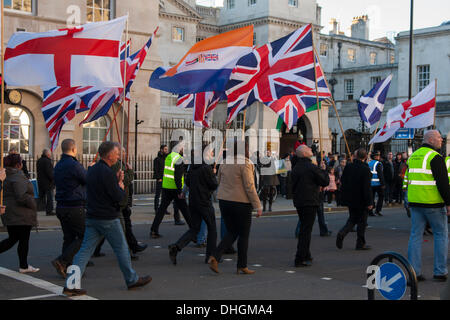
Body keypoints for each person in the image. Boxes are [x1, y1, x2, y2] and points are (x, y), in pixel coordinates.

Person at [63, 142, 151, 296]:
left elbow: (99, 189)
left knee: (84, 251)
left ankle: (71, 284)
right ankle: (131, 279)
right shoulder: (107, 172)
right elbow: (117, 196)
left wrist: (115, 181)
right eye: (116, 153)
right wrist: (120, 185)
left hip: (92, 216)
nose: (118, 156)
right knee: (122, 248)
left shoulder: (93, 169)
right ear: (109, 155)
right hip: (107, 218)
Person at [208, 138, 262, 275]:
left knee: (232, 231)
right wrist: (258, 205)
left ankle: (215, 255)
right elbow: (250, 186)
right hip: (241, 202)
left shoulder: (225, 162)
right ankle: (242, 265)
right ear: (245, 149)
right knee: (243, 234)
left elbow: (218, 181)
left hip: (224, 201)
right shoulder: (245, 164)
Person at [406, 130, 450, 282]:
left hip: (415, 202)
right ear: (431, 140)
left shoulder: (414, 156)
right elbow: (443, 183)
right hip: (433, 203)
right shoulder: (435, 157)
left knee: (415, 236)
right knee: (441, 235)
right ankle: (440, 271)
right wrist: (449, 202)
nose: (441, 140)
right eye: (439, 137)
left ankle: (414, 272)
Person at [168, 145, 218, 265]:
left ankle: (176, 246)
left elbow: (188, 183)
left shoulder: (192, 168)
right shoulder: (206, 168)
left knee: (195, 229)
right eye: (211, 152)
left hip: (193, 202)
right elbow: (214, 185)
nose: (212, 154)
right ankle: (210, 256)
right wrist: (214, 174)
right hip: (204, 201)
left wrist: (183, 194)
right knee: (212, 229)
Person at [51, 139, 88, 278]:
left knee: (69, 237)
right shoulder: (74, 165)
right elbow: (87, 179)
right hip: (74, 205)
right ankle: (62, 261)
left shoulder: (58, 165)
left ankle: (68, 268)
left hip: (61, 205)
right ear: (73, 149)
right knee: (84, 236)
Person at [291, 145, 329, 267]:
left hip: (300, 201)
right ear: (305, 154)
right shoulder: (311, 167)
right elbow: (324, 181)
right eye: (309, 150)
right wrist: (323, 169)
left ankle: (306, 254)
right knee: (306, 231)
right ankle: (300, 257)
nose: (311, 151)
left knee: (304, 228)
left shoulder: (296, 167)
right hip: (310, 201)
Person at [0, 153, 39, 273]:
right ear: (18, 164)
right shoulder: (17, 176)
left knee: (13, 238)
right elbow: (21, 196)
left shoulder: (5, 175)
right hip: (21, 213)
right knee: (22, 240)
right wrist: (32, 203)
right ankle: (24, 266)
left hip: (11, 212)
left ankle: (24, 265)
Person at [150, 140, 191, 238]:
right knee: (186, 211)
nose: (182, 149)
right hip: (175, 188)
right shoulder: (178, 158)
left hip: (166, 187)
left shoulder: (168, 156)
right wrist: (180, 190)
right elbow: (177, 176)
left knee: (161, 210)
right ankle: (195, 232)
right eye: (181, 147)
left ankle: (153, 230)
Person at [336, 148, 373, 250]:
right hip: (361, 200)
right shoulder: (365, 168)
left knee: (352, 219)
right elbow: (367, 187)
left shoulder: (349, 166)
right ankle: (360, 243)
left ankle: (343, 233)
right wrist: (369, 202)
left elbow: (343, 180)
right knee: (362, 222)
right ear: (365, 157)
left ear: (356, 156)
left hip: (351, 198)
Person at [153, 145, 184, 225]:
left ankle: (154, 228)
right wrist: (159, 178)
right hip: (169, 184)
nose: (166, 150)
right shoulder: (159, 159)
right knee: (158, 196)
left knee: (164, 204)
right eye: (165, 149)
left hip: (168, 183)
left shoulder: (168, 157)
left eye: (167, 149)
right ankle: (192, 227)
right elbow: (157, 170)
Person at [36, 149, 55, 216]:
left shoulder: (39, 160)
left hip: (40, 181)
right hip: (48, 182)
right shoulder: (47, 161)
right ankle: (49, 210)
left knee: (41, 196)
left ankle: (38, 208)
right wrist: (53, 179)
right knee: (49, 197)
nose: (50, 155)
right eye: (49, 154)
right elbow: (49, 172)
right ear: (47, 154)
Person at [368, 151, 385, 217]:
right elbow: (380, 174)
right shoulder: (378, 163)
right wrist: (383, 184)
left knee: (371, 197)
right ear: (375, 157)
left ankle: (370, 211)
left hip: (370, 183)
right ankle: (378, 210)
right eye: (378, 155)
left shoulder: (369, 163)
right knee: (381, 196)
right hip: (378, 183)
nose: (379, 156)